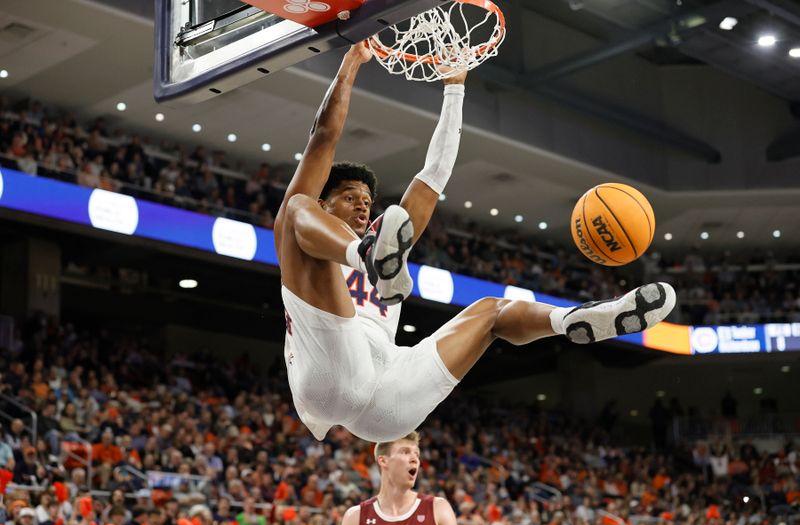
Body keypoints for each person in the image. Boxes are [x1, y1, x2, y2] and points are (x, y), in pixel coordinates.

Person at [274, 42, 676, 443]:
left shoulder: (389, 237)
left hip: (387, 394)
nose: (363, 208)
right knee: (294, 209)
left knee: (491, 313)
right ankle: (365, 260)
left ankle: (570, 320)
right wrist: (349, 64)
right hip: (326, 374)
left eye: (367, 201)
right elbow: (324, 137)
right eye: (350, 198)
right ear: (326, 203)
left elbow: (434, 176)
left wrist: (455, 89)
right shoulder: (310, 220)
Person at [339, 432, 456, 525]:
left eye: (417, 454)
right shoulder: (355, 517)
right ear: (383, 461)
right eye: (405, 452)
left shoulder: (438, 508)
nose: (415, 459)